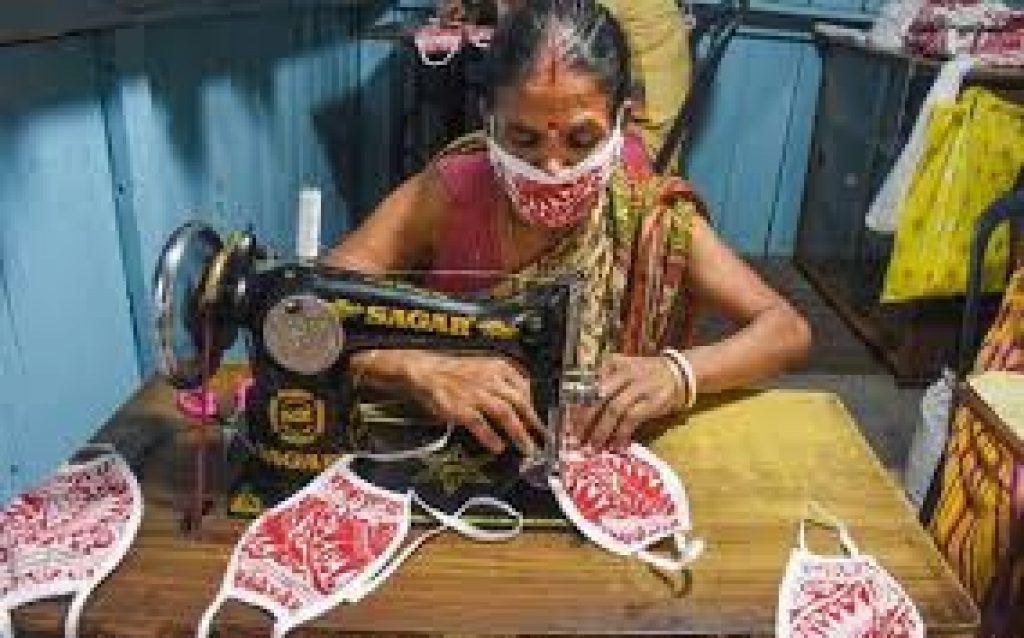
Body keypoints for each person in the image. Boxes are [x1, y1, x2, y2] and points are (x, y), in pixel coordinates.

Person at [324, 0, 810, 457]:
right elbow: (309, 308)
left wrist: (678, 374)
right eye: (524, 139)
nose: (553, 168)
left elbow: (785, 330)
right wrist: (414, 369)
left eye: (581, 140)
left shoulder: (645, 212)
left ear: (623, 122)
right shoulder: (452, 192)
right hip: (445, 441)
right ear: (488, 121)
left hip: (596, 451)